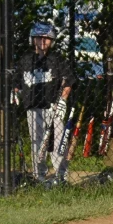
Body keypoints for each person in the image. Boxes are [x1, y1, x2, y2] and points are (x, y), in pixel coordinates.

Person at [13, 22, 74, 182]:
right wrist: (14, 93)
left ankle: (61, 176)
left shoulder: (57, 59)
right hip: (33, 108)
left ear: (51, 41)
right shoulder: (26, 60)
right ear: (33, 40)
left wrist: (63, 101)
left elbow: (68, 82)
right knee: (37, 143)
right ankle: (39, 175)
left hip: (53, 106)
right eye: (39, 38)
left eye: (47, 38)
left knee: (59, 141)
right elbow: (16, 83)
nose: (43, 41)